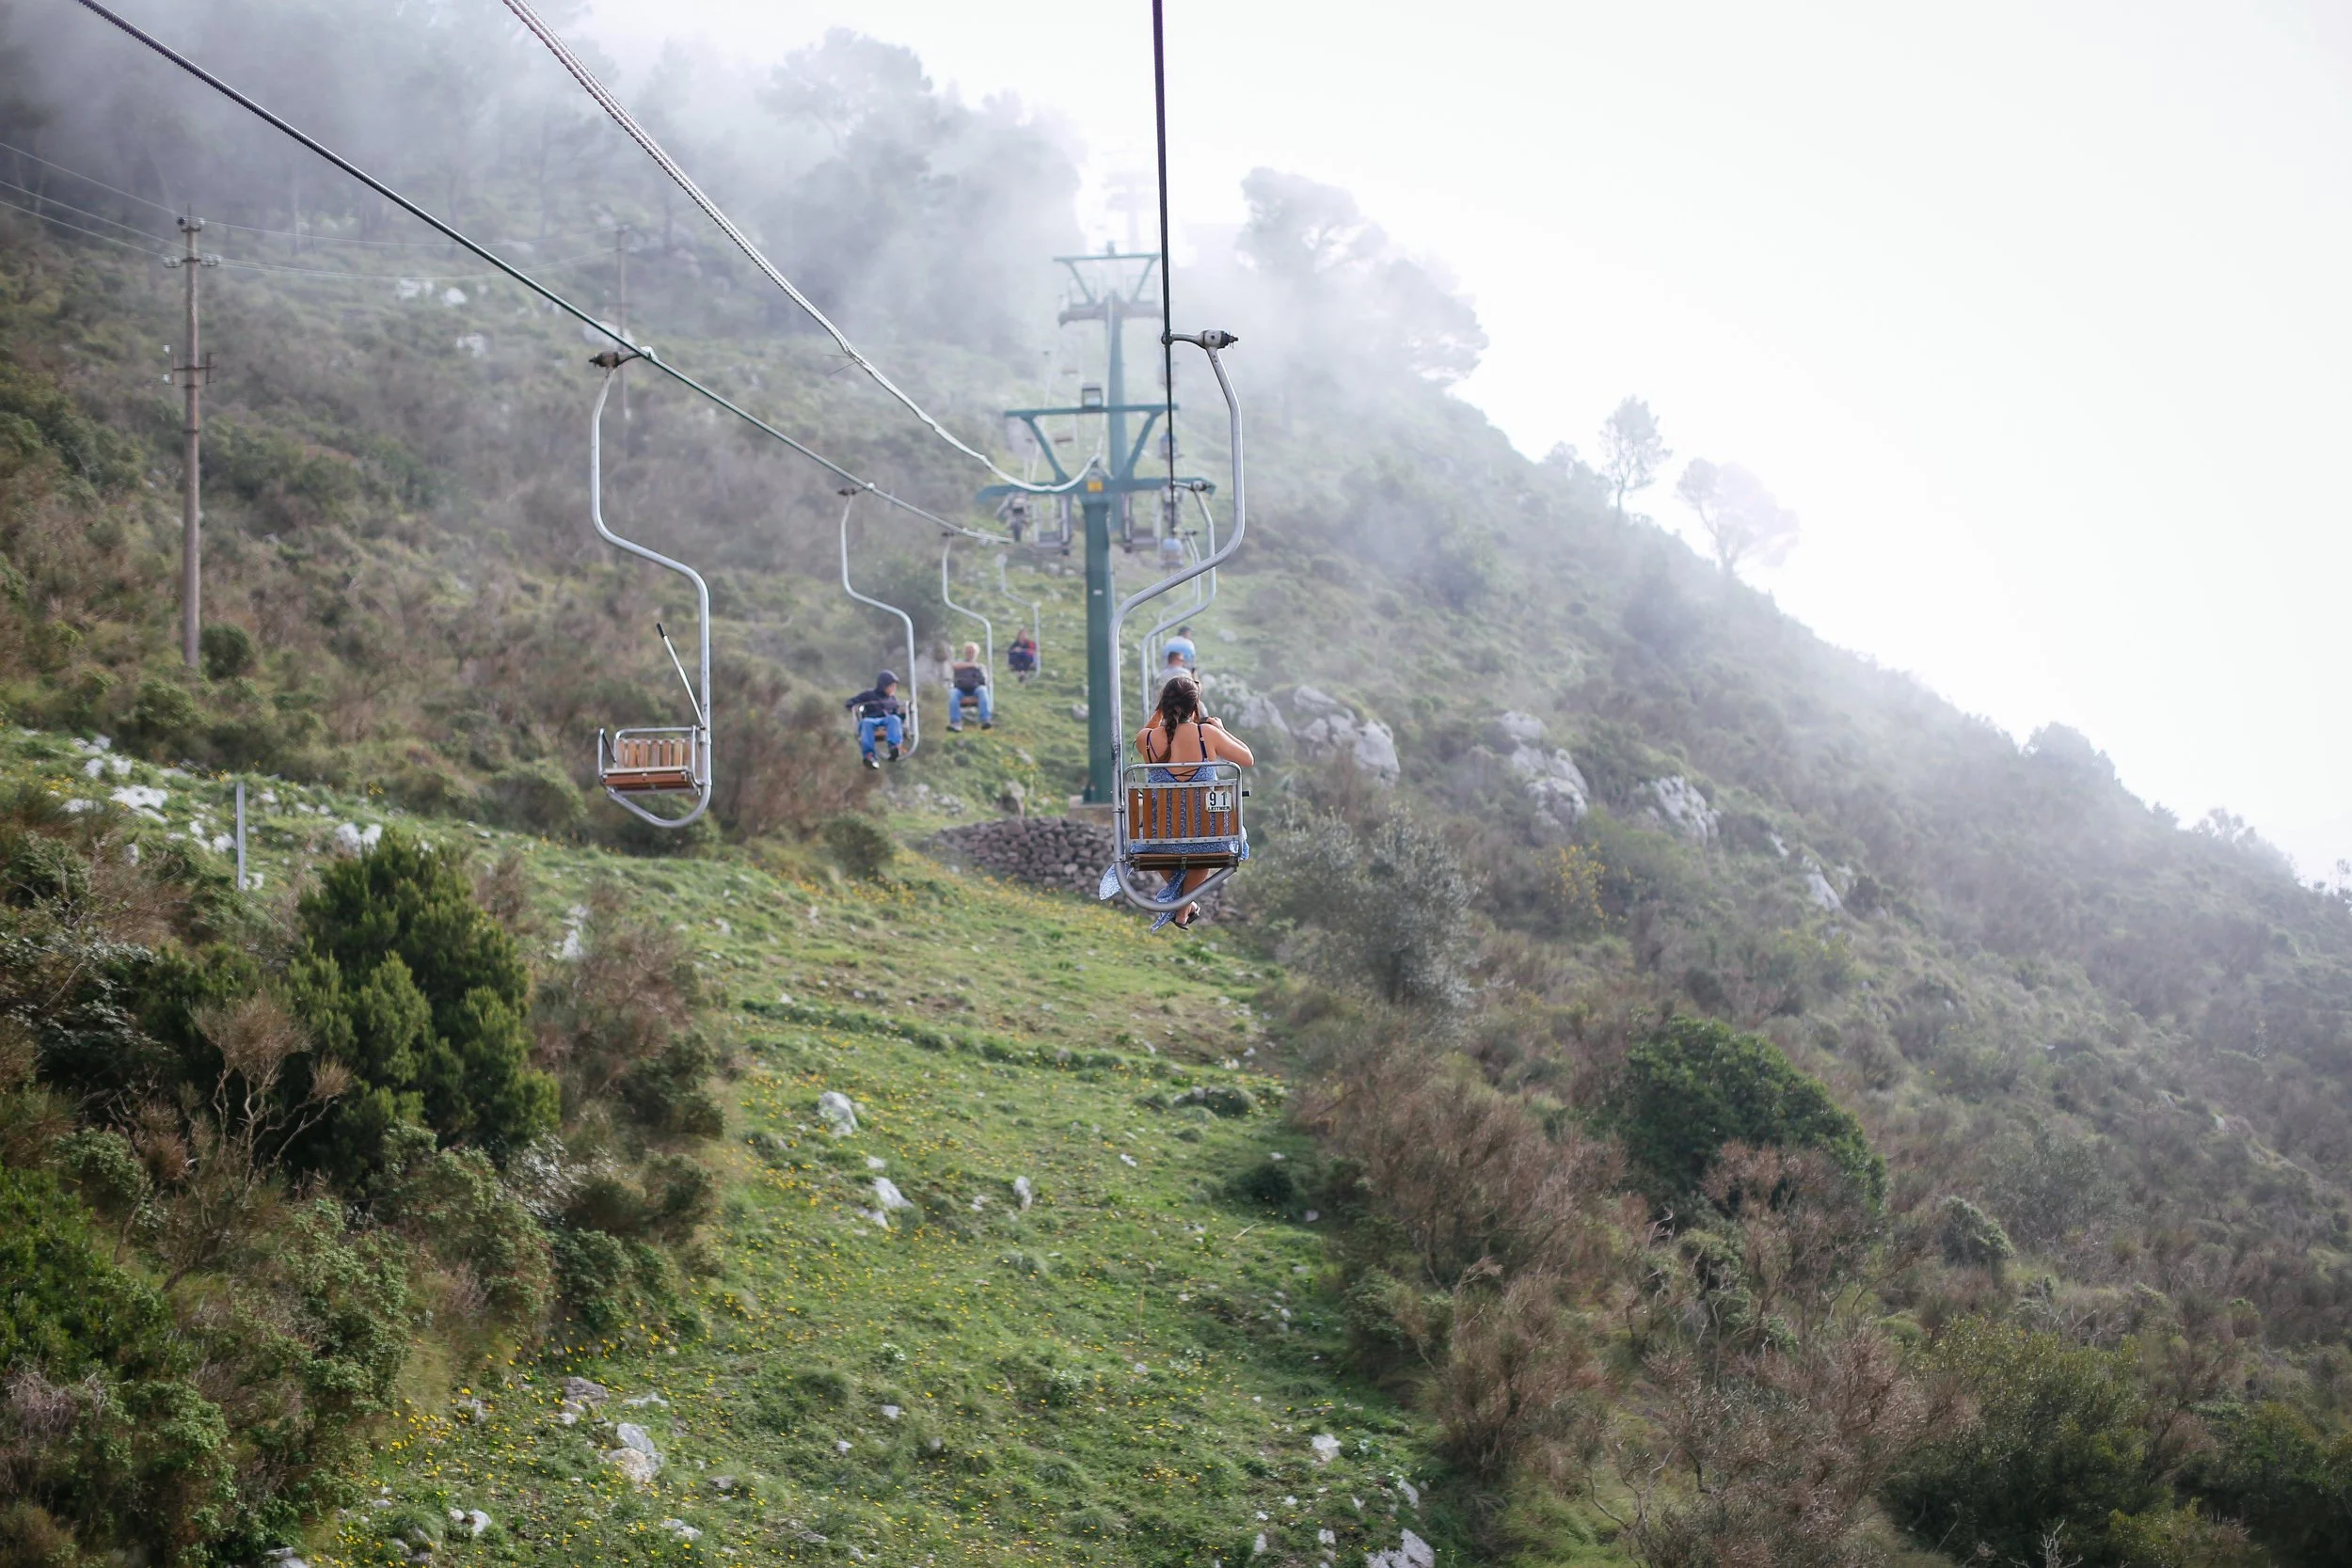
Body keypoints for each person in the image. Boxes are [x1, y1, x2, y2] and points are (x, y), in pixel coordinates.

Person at [1132, 671, 1253, 930]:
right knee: (1205, 848)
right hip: (1209, 838)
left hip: (1159, 841)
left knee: (1178, 847)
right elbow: (1247, 759)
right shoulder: (1207, 734)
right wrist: (1221, 729)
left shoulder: (1147, 739)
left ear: (1164, 704)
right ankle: (1183, 909)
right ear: (1194, 705)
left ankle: (1184, 908)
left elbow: (1146, 729)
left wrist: (1159, 710)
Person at [844, 671, 905, 768]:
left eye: (894, 686)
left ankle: (894, 747)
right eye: (891, 686)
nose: (894, 689)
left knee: (894, 719)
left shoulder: (892, 699)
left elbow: (896, 714)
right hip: (873, 720)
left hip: (886, 721)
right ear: (884, 686)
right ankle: (870, 756)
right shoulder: (869, 695)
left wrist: (902, 715)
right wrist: (855, 706)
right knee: (866, 723)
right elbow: (850, 702)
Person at [946, 641, 993, 730]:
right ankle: (955, 722)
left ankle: (985, 719)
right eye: (968, 652)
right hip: (961, 690)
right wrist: (971, 665)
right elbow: (953, 666)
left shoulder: (980, 666)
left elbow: (985, 680)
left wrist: (976, 667)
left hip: (975, 690)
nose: (970, 654)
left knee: (983, 690)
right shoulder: (959, 663)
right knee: (952, 693)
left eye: (972, 652)